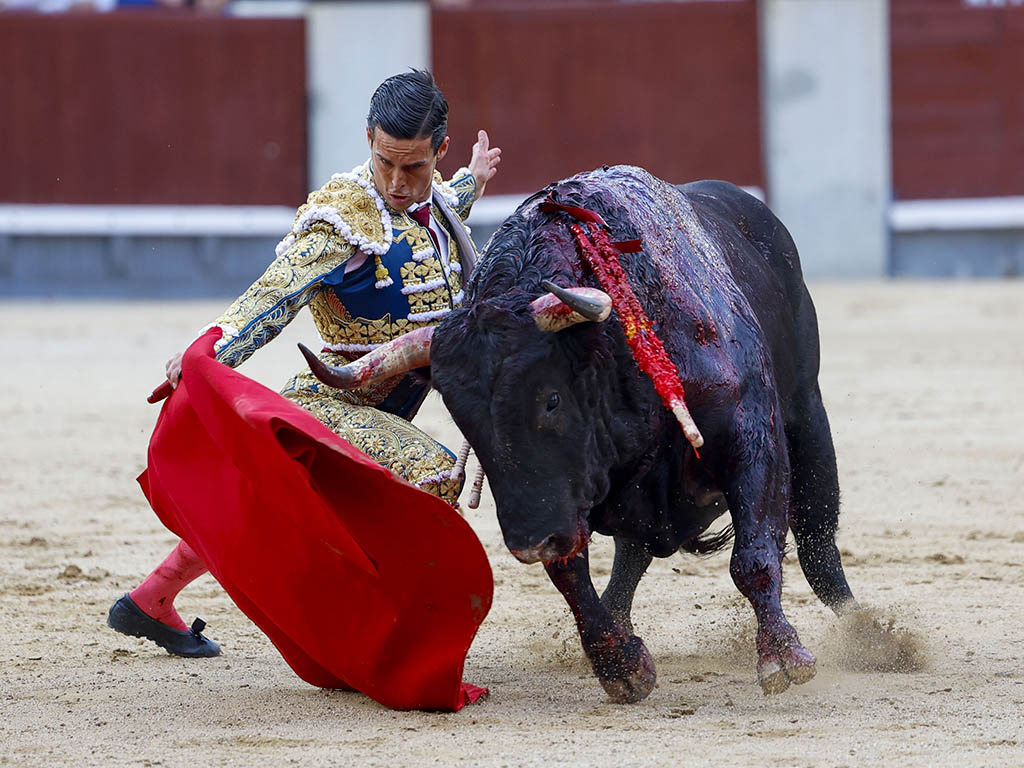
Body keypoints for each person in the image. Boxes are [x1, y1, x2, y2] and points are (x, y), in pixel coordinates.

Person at [107, 69, 501, 657]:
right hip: (332, 404)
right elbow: (277, 293)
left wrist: (474, 177)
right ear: (368, 137)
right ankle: (374, 633)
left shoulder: (432, 198)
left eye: (414, 167)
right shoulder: (340, 222)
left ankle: (150, 600)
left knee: (260, 506)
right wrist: (208, 350)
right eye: (385, 161)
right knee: (431, 475)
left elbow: (439, 204)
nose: (396, 182)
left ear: (438, 152)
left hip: (383, 406)